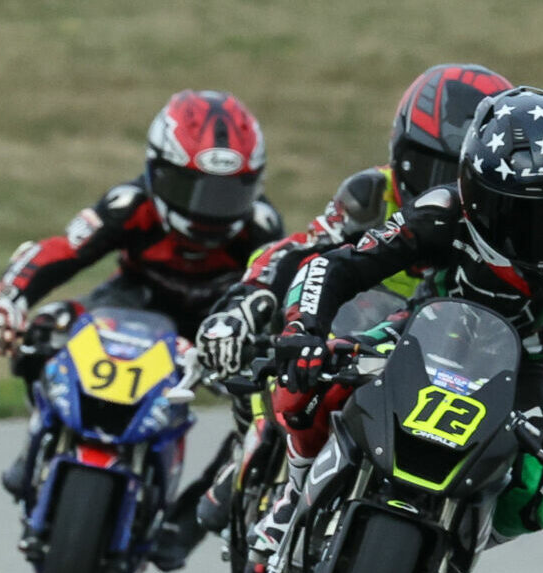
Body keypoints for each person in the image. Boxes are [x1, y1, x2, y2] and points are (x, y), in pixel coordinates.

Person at [259, 85, 543, 565]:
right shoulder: (441, 211)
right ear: (475, 194)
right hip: (417, 332)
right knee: (305, 385)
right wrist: (303, 330)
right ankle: (294, 494)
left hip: (523, 367)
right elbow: (337, 266)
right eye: (524, 213)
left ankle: (454, 561)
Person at [186, 64, 514, 545]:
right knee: (281, 339)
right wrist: (250, 298)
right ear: (400, 155)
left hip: (434, 341)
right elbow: (305, 248)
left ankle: (453, 549)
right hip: (355, 319)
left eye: (461, 173)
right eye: (432, 169)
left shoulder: (495, 221)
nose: (446, 189)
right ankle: (252, 448)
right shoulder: (370, 193)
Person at [0, 90, 284, 567]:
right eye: (191, 190)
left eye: (228, 194)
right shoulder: (129, 202)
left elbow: (276, 289)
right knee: (43, 331)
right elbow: (63, 250)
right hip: (133, 298)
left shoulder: (262, 226)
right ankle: (36, 445)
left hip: (218, 317)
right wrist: (9, 298)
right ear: (157, 172)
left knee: (268, 412)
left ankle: (191, 518)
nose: (209, 211)